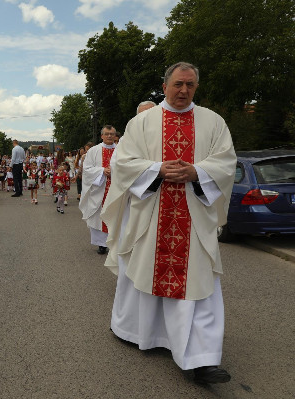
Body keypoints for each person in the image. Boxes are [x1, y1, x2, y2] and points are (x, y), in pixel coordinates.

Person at [101, 62, 236, 384]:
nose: (184, 90)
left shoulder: (213, 122)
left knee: (198, 284)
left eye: (190, 85)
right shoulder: (142, 122)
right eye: (178, 84)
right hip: (151, 214)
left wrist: (198, 172)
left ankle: (201, 360)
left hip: (193, 217)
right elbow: (123, 163)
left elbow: (226, 163)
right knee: (144, 273)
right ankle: (136, 331)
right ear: (164, 86)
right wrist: (157, 170)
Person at [79, 126, 117, 255]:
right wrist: (102, 171)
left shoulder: (121, 150)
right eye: (107, 134)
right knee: (98, 216)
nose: (109, 136)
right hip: (99, 189)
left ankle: (116, 243)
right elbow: (87, 169)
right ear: (101, 136)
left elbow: (128, 167)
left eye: (112, 134)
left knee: (116, 215)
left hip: (116, 189)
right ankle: (101, 244)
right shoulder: (94, 150)